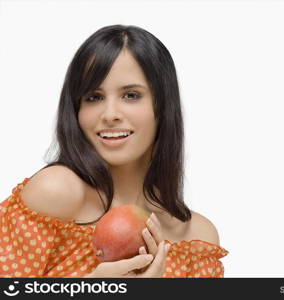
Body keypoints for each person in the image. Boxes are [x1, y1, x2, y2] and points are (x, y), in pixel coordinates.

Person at [0, 25, 228, 278]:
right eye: (93, 97)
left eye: (131, 95)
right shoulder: (55, 194)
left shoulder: (197, 240)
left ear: (163, 106)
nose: (110, 115)